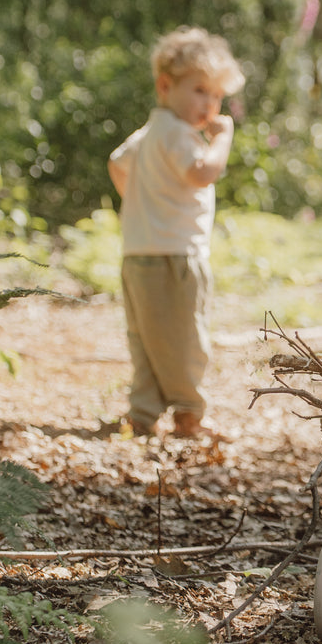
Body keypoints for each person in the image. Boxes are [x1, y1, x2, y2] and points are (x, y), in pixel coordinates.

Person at [106, 26, 245, 438]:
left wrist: (143, 202)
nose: (210, 103)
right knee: (186, 336)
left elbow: (117, 164)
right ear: (166, 86)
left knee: (145, 338)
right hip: (176, 254)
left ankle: (143, 414)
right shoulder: (180, 134)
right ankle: (189, 413)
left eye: (217, 96)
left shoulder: (151, 131)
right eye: (200, 91)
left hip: (138, 252)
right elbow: (202, 173)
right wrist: (223, 139)